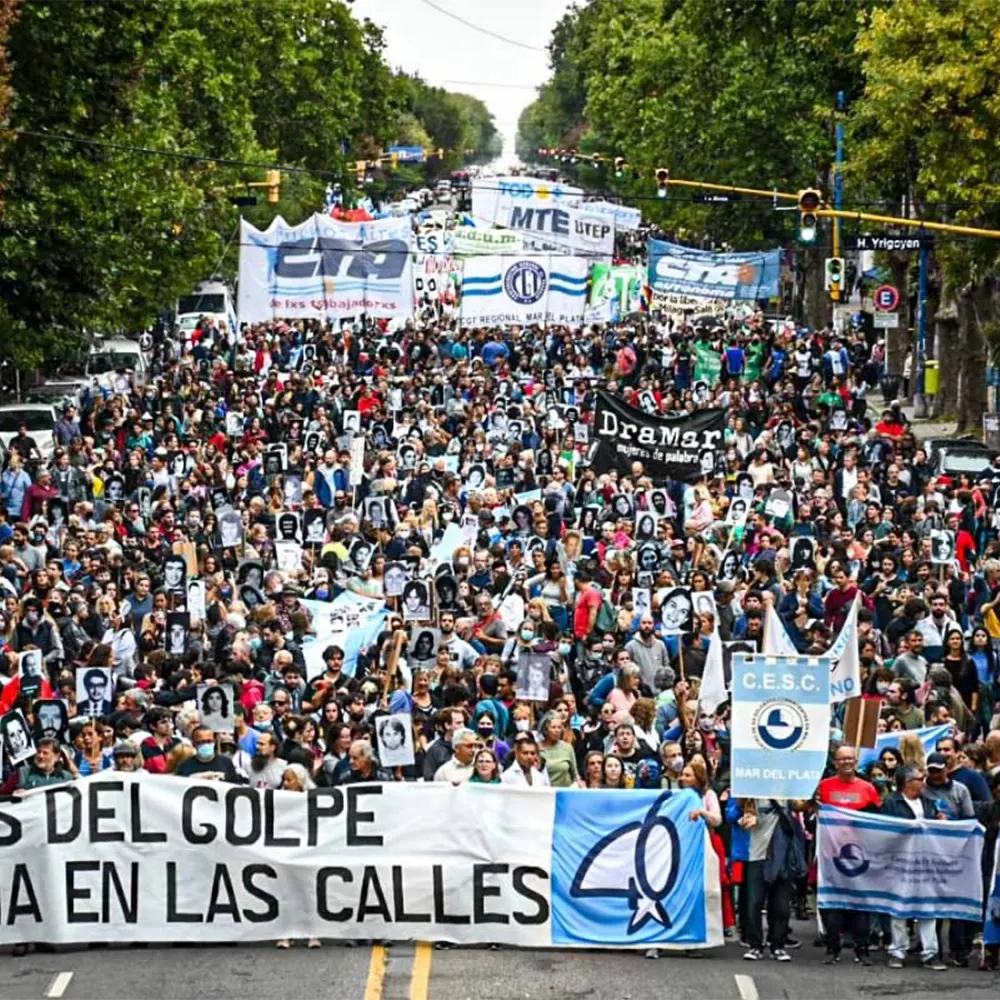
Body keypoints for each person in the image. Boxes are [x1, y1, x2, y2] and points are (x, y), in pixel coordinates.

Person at [879, 766, 948, 970]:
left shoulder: (927, 802)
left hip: (926, 862)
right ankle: (898, 951)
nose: (924, 781)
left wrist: (940, 821)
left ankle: (930, 953)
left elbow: (936, 824)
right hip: (900, 862)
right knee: (898, 908)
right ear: (907, 782)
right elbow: (884, 830)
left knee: (928, 908)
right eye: (920, 778)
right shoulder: (892, 803)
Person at [817, 745, 881, 965]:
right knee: (833, 903)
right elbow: (811, 809)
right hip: (831, 854)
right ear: (835, 763)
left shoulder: (868, 788)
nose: (846, 762)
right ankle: (832, 948)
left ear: (856, 762)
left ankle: (861, 949)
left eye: (850, 759)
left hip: (859, 855)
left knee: (860, 903)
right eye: (841, 759)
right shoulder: (824, 786)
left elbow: (877, 819)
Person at [175, 727, 242, 783]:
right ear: (194, 744)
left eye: (209, 741)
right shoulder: (185, 766)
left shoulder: (226, 762)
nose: (206, 744)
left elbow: (235, 785)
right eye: (202, 742)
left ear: (214, 741)